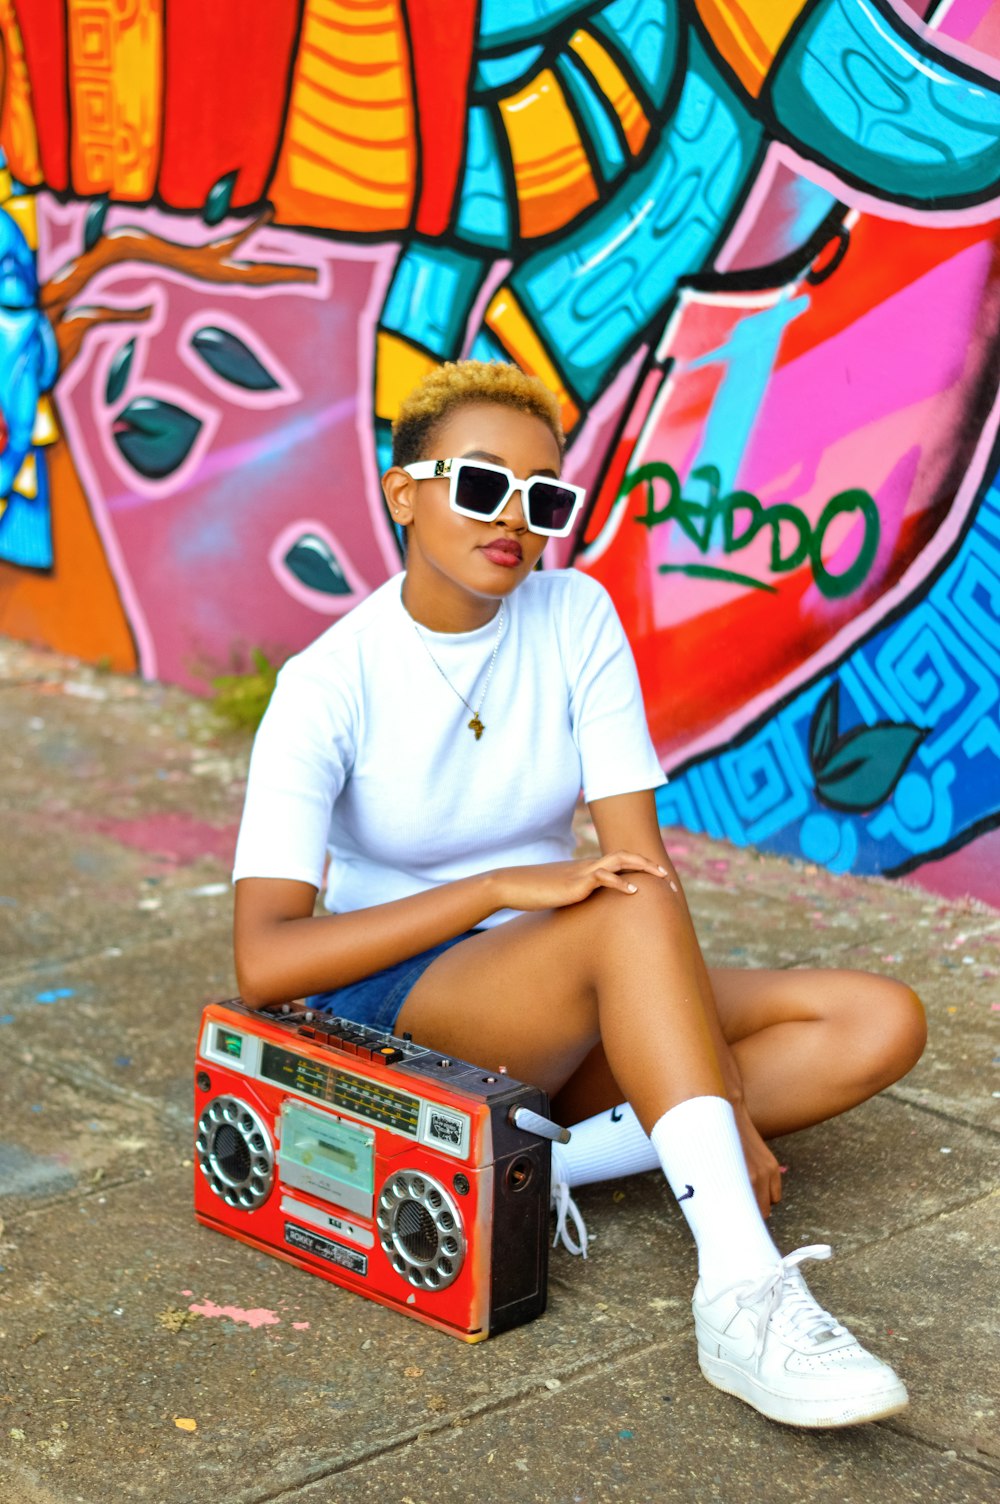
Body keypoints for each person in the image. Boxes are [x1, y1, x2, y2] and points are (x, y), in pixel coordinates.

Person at [232, 360, 926, 1428]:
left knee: (875, 1019)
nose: (513, 516)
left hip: (572, 969)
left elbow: (640, 867)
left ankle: (541, 1157)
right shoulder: (329, 683)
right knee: (623, 906)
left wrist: (724, 1093)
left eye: (542, 495)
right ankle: (740, 1285)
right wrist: (496, 886)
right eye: (478, 484)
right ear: (402, 490)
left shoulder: (574, 614)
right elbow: (266, 959)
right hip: (402, 1002)